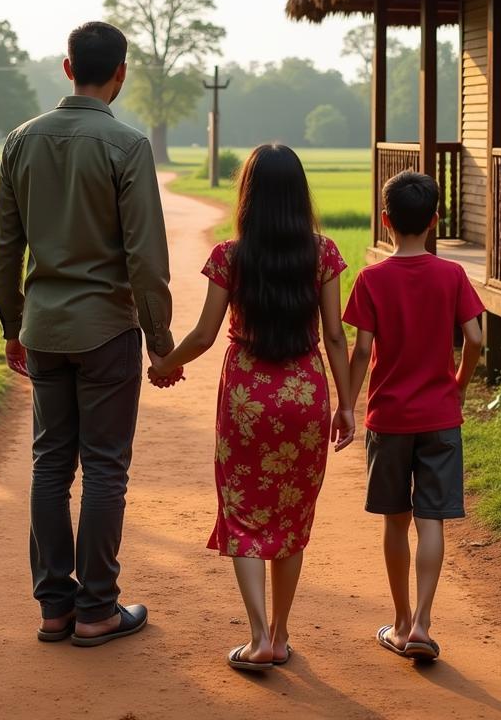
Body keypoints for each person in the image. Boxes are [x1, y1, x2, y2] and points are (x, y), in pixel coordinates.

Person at [0, 20, 174, 647]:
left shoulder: (19, 142)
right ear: (120, 74)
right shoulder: (127, 146)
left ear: (66, 68)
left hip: (43, 329)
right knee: (103, 469)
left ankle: (53, 608)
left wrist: (14, 326)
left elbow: (4, 250)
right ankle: (97, 609)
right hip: (107, 332)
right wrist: (160, 340)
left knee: (49, 465)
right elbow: (146, 257)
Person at [150, 143, 354, 672]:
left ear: (249, 196)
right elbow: (334, 336)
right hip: (306, 394)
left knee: (242, 510)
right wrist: (349, 403)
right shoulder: (324, 253)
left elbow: (203, 334)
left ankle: (259, 635)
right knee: (292, 514)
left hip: (246, 397)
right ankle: (283, 635)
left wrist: (165, 365)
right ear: (298, 195)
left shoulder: (228, 257)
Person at [339, 170, 483, 662]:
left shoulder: (372, 278)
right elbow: (477, 338)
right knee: (433, 519)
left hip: (389, 418)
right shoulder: (453, 275)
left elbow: (360, 352)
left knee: (396, 522)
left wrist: (347, 406)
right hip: (440, 418)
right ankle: (423, 623)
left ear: (385, 221)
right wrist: (458, 386)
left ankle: (400, 622)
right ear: (436, 221)